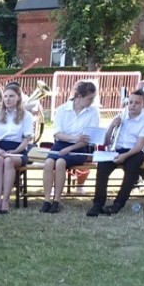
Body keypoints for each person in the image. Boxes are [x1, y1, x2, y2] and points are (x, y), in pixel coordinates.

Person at [87, 91, 144, 216]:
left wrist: (125, 156)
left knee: (132, 170)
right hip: (116, 149)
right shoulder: (120, 116)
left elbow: (140, 145)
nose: (133, 105)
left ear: (143, 104)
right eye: (130, 102)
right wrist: (112, 126)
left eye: (137, 103)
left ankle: (118, 204)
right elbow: (106, 142)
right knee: (102, 168)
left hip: (133, 152)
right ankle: (98, 203)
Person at [41, 80, 100, 214]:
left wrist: (70, 148)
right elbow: (57, 133)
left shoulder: (93, 111)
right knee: (49, 162)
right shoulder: (62, 109)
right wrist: (74, 138)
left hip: (80, 147)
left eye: (93, 98)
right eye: (89, 98)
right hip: (62, 143)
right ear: (79, 96)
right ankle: (46, 200)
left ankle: (57, 201)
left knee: (61, 162)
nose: (92, 101)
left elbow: (87, 139)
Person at [0, 83, 35, 214]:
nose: (7, 99)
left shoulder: (27, 116)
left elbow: (26, 140)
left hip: (18, 150)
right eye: (5, 96)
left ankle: (6, 200)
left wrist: (15, 151)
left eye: (11, 96)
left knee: (8, 161)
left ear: (18, 97)